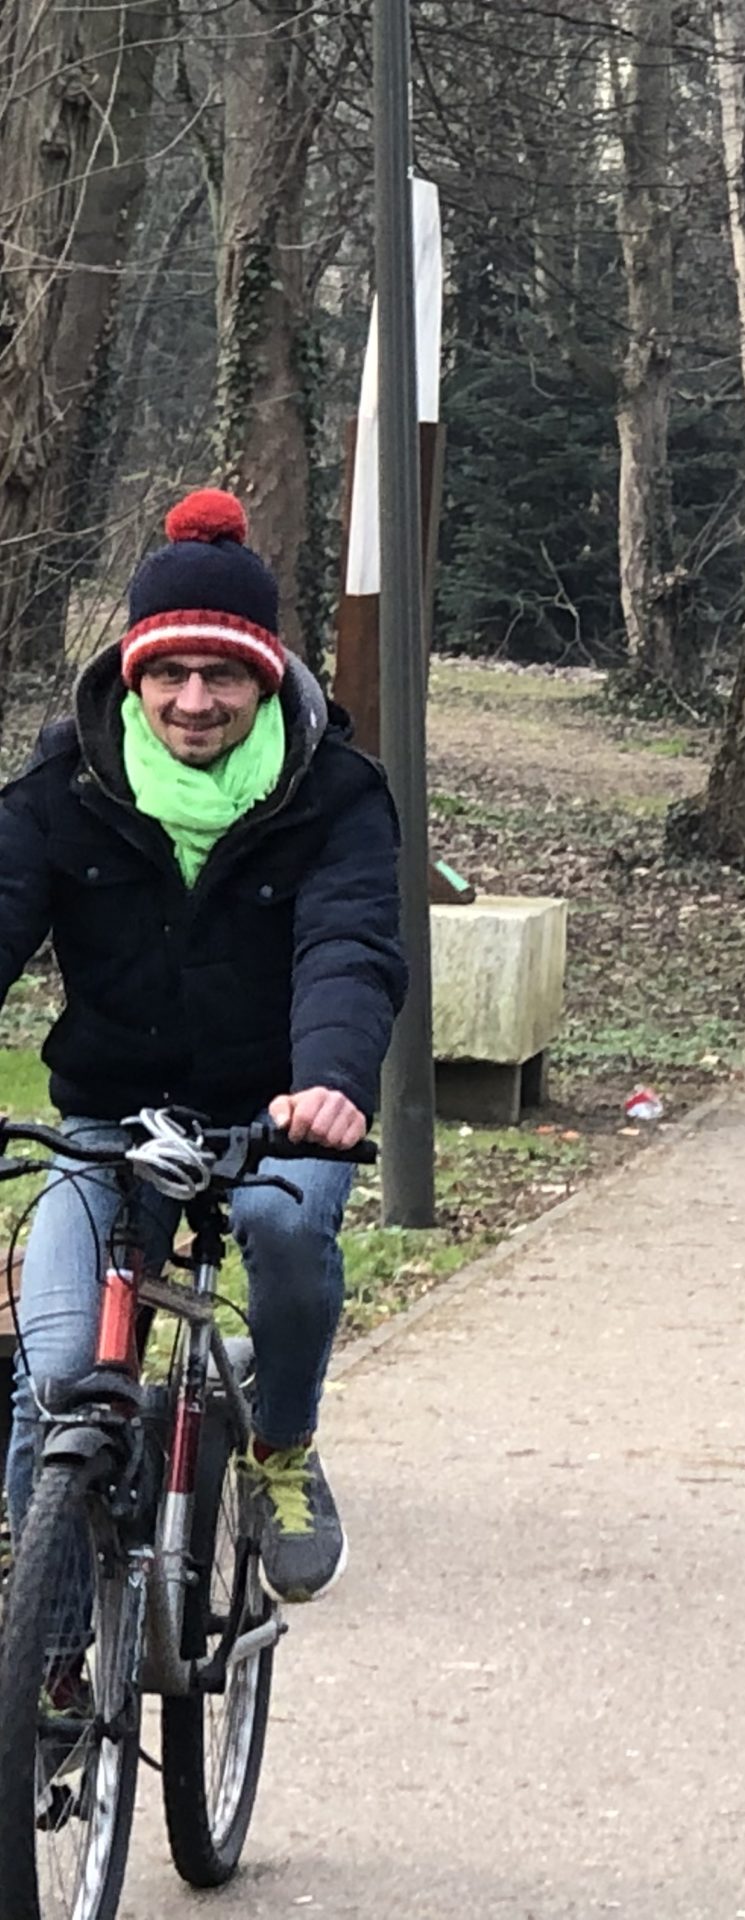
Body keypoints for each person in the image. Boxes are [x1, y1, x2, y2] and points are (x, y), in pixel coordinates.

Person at [0, 489, 406, 1603]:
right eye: (170, 672)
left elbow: (350, 947)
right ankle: (51, 1675)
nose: (194, 700)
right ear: (134, 672)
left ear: (262, 676)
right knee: (53, 1371)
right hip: (110, 1109)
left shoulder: (334, 797)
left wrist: (327, 1082)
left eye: (222, 674)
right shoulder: (62, 790)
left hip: (274, 1107)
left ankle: (280, 1447)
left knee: (282, 1227)